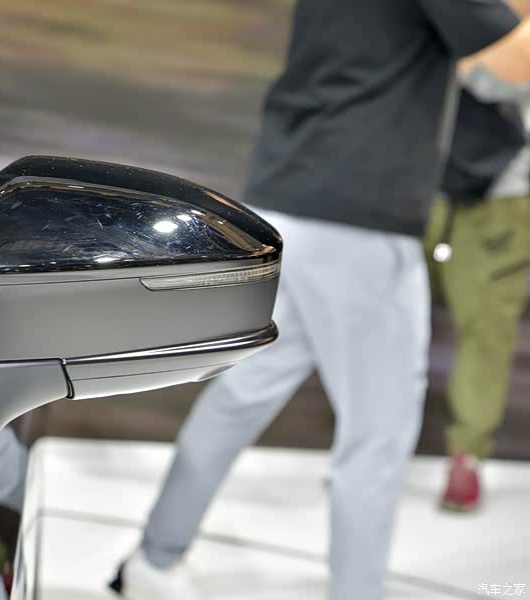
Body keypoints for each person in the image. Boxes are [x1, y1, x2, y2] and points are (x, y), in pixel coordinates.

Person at [109, 2, 521, 599]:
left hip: (285, 203)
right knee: (376, 437)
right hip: (361, 225)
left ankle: (151, 559)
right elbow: (514, 58)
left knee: (242, 394)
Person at [426, 15, 530, 512]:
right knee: (380, 321)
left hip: (500, 205)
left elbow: (491, 77)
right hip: (418, 186)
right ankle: (364, 448)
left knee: (487, 331)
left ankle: (466, 455)